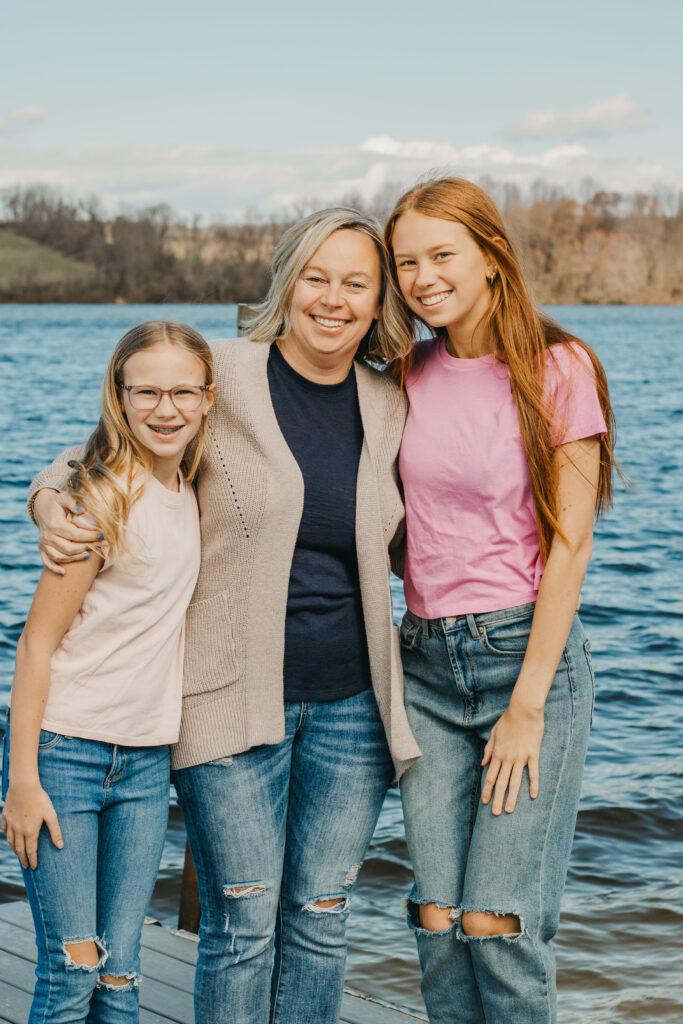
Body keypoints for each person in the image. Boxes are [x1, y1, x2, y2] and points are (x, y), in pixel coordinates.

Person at [26, 209, 421, 1024]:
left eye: (356, 282)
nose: (333, 299)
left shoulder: (389, 401)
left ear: (379, 296)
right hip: (228, 699)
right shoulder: (227, 375)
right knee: (241, 919)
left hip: (353, 704)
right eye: (316, 277)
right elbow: (111, 441)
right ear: (287, 281)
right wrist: (45, 499)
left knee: (318, 916)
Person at [382, 177, 617, 1024]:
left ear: (490, 257)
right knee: (440, 923)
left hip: (525, 661)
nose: (422, 276)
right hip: (423, 666)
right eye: (405, 261)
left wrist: (525, 707)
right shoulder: (403, 373)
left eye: (441, 255)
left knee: (498, 925)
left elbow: (572, 546)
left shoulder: (559, 367)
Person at [2, 321, 215, 1023]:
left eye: (183, 391)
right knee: (71, 971)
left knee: (121, 978)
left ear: (209, 398)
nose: (165, 408)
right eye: (146, 391)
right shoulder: (97, 504)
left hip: (147, 763)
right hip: (67, 754)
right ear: (119, 398)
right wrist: (23, 781)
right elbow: (36, 645)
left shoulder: (190, 490)